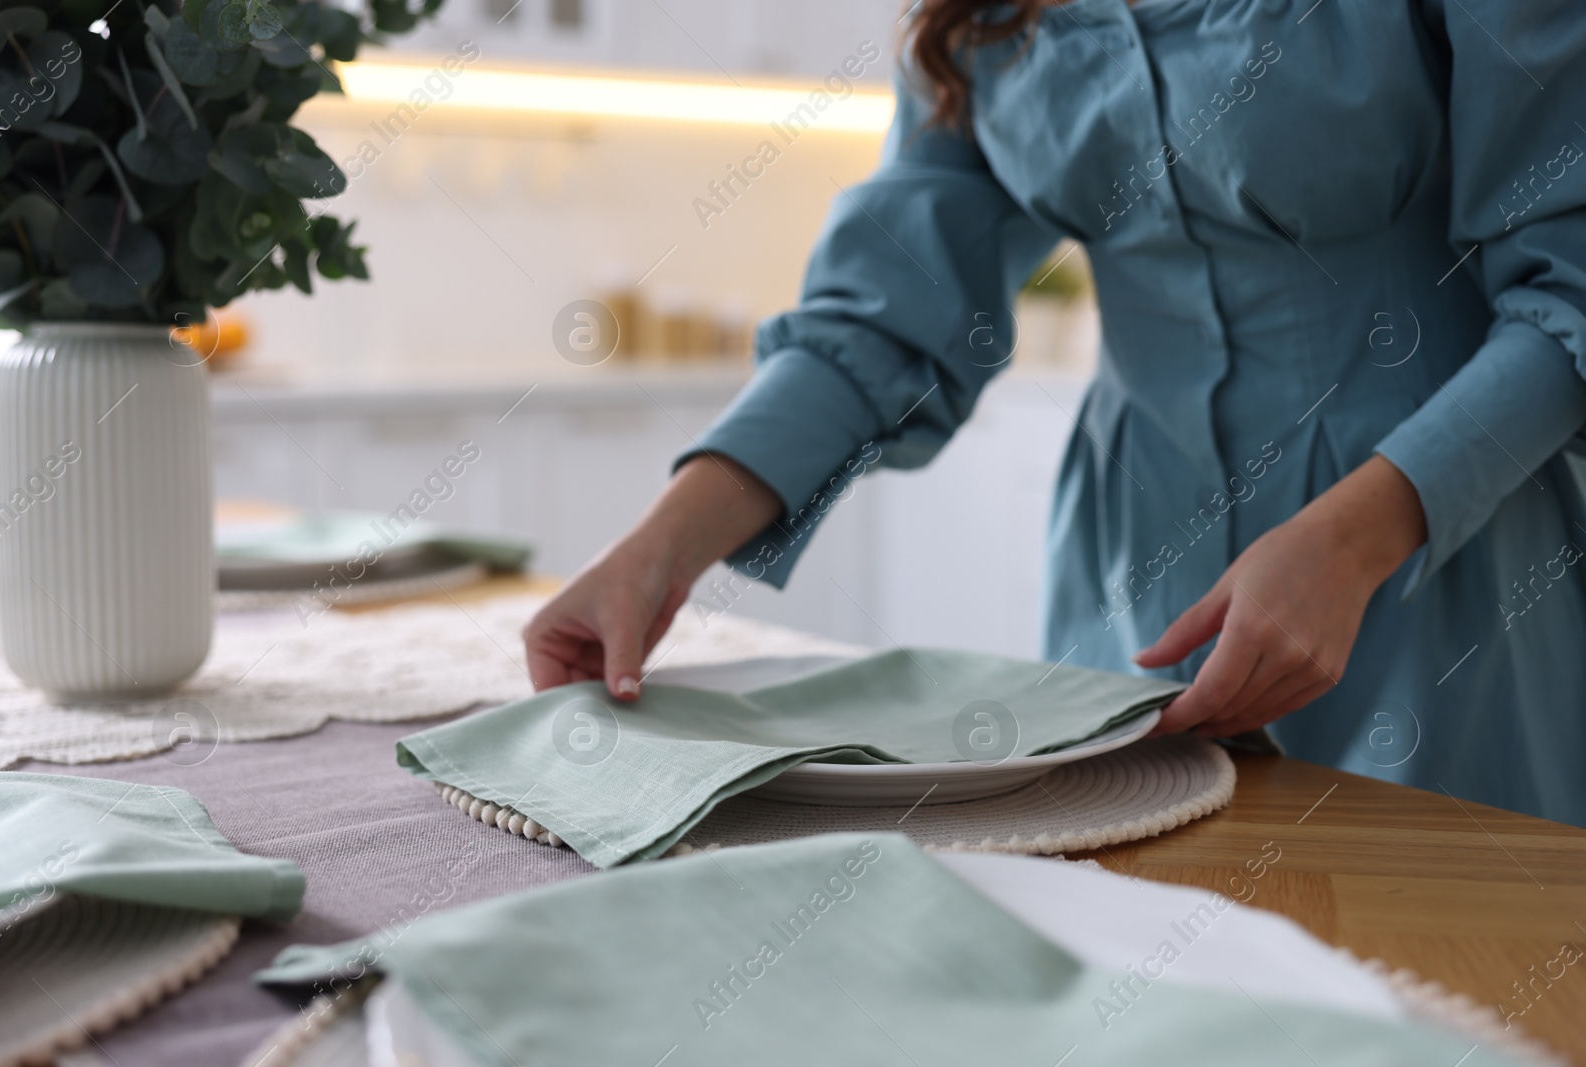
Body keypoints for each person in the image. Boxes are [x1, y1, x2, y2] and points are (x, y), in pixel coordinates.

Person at [526, 0, 1586, 827]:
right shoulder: (974, 23)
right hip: (1125, 588)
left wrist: (1350, 545)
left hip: (1440, 568)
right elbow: (886, 316)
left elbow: (1567, 298)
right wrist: (659, 548)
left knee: (1444, 992)